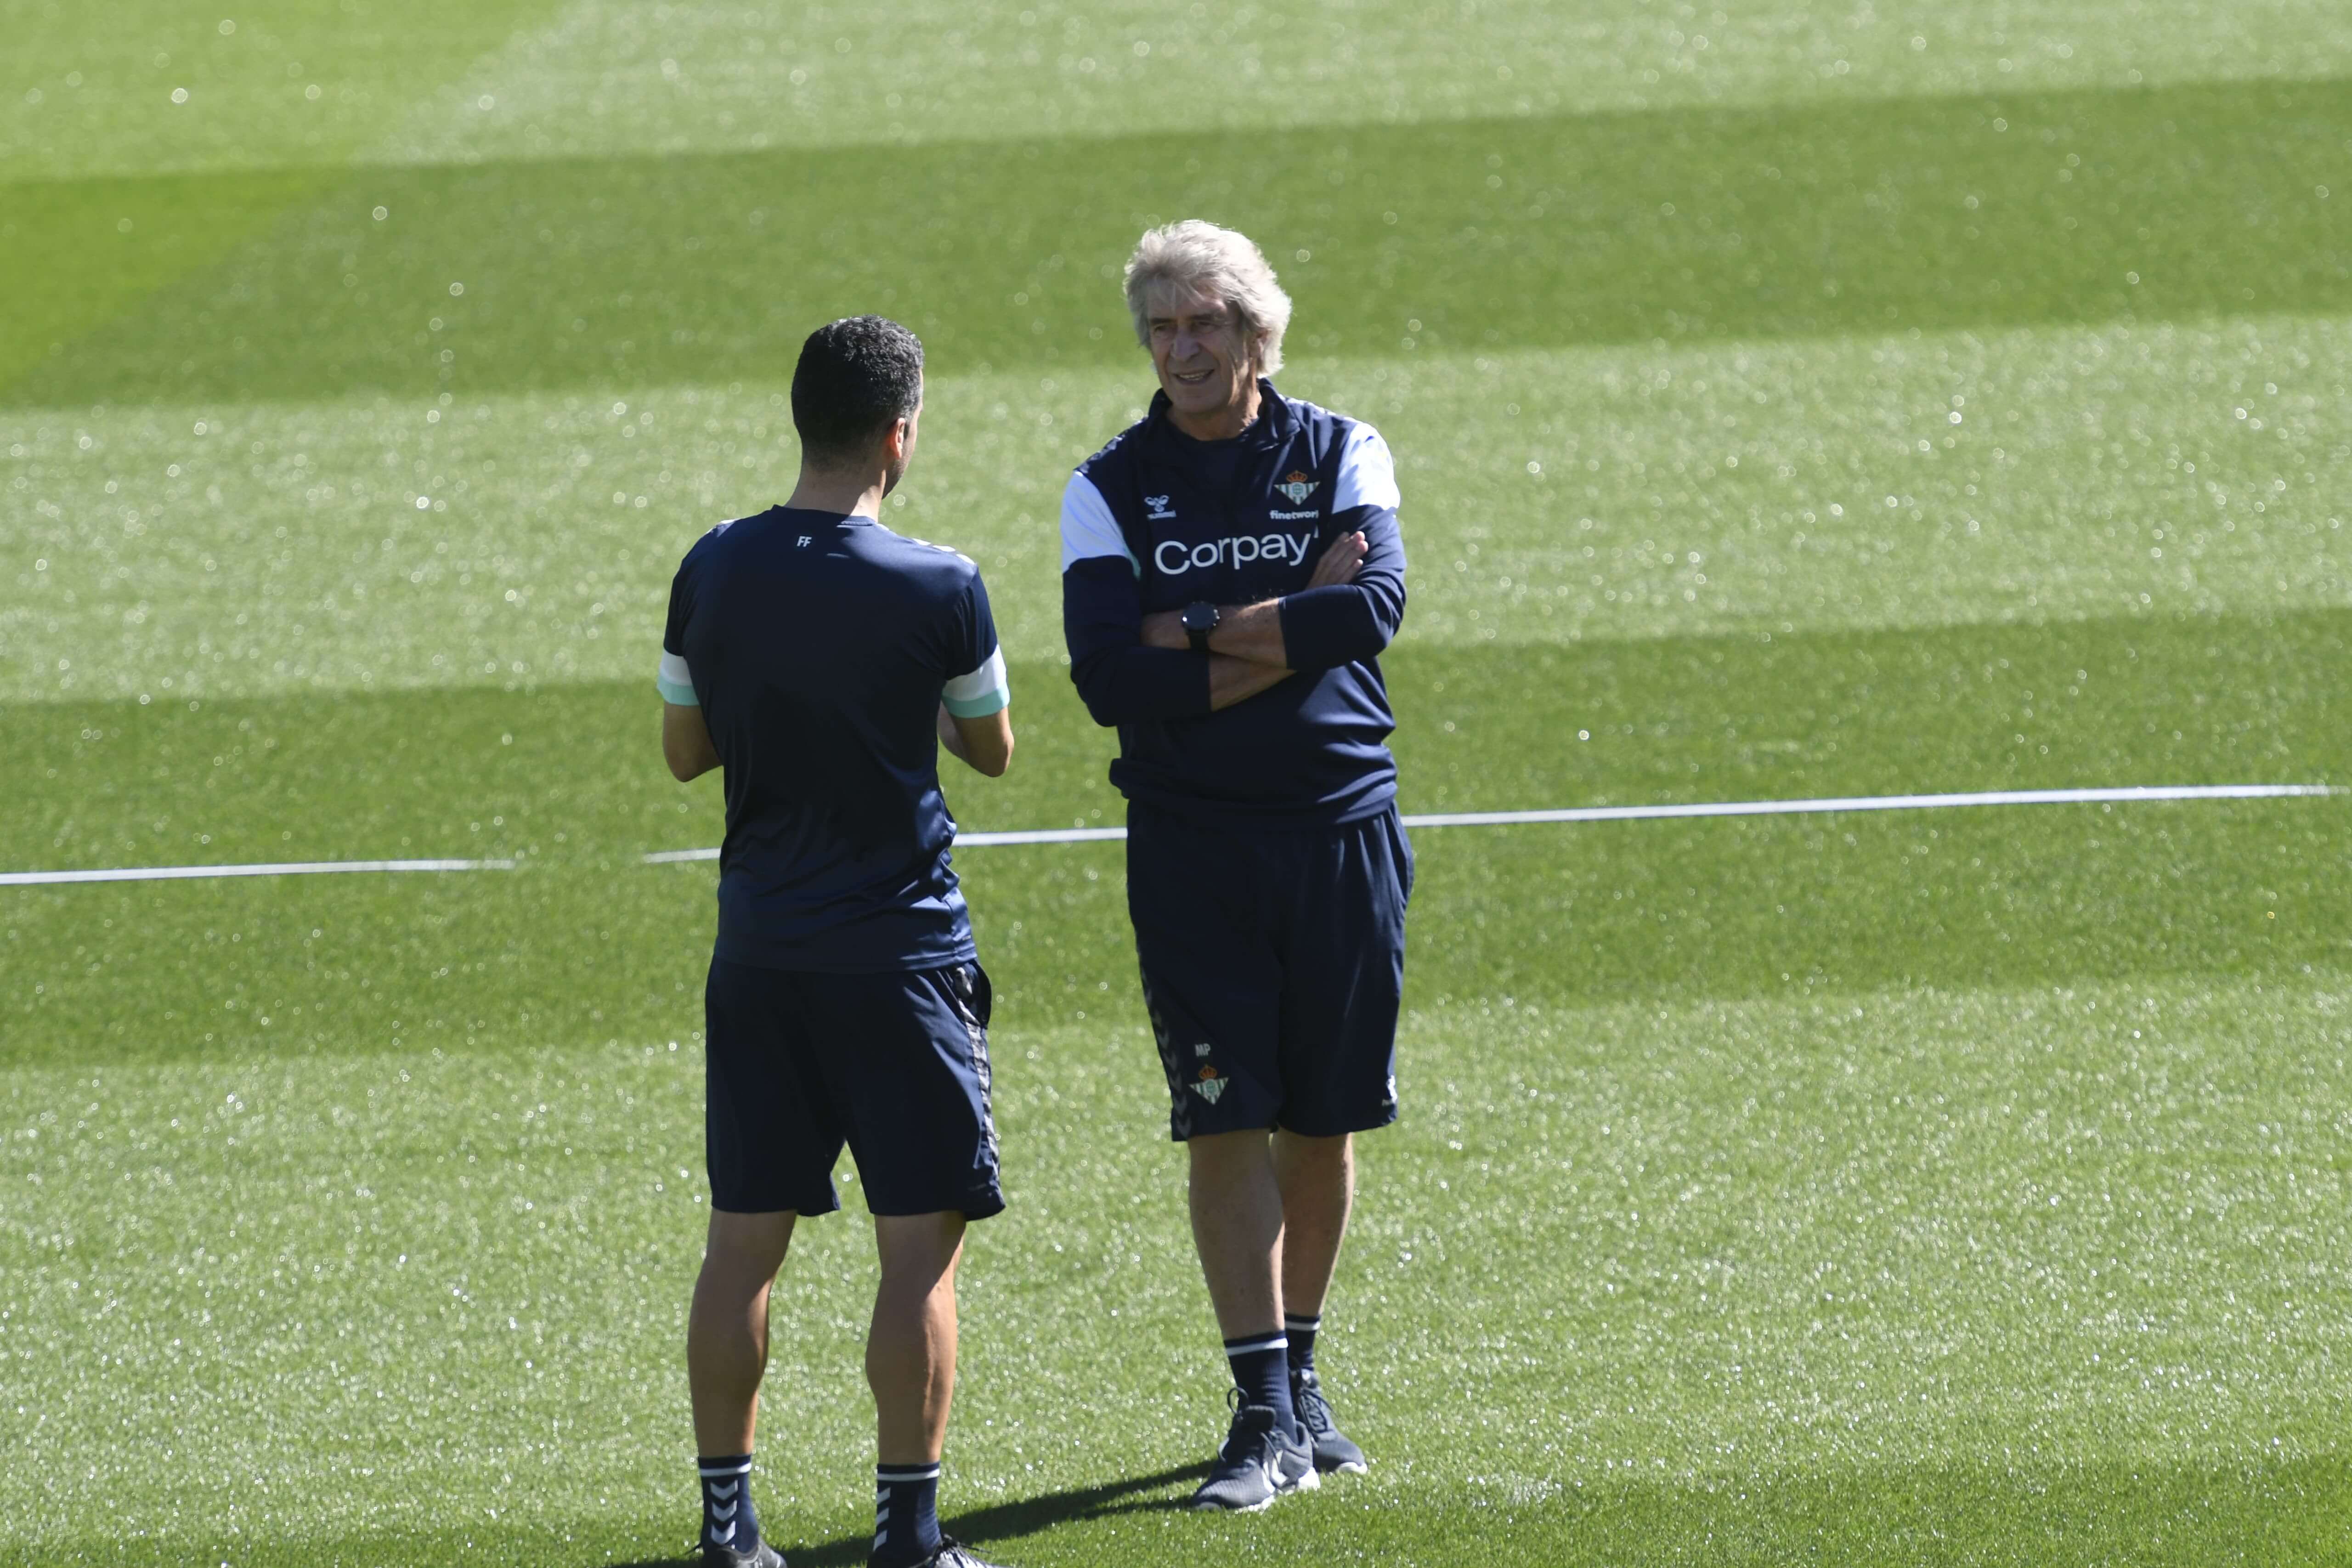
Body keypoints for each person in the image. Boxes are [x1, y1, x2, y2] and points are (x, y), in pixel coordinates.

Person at [1058, 221, 1411, 1512]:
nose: (1182, 347)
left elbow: (1371, 613)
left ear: (1256, 333)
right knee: (1225, 1117)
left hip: (1341, 830)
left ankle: (1300, 1380)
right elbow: (1107, 677)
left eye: (1205, 323)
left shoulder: (1341, 450)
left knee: (1323, 1120)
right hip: (1195, 845)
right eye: (1162, 328)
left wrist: (1191, 625)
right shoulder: (1108, 484)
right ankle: (1258, 1408)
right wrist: (1279, 628)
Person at [658, 315, 1016, 1568]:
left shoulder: (712, 566)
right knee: (917, 1251)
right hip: (903, 959)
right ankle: (908, 1539)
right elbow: (994, 747)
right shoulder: (939, 582)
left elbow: (684, 751)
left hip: (760, 954)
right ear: (898, 432)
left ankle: (728, 1533)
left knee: (741, 1243)